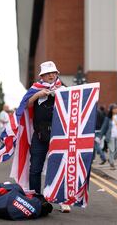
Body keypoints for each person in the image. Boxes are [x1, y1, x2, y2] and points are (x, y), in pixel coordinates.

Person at [26, 61, 72, 213]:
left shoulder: (64, 89)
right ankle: (36, 198)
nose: (52, 75)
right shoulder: (35, 89)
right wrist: (38, 95)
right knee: (35, 169)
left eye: (54, 73)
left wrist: (62, 94)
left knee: (59, 167)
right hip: (39, 135)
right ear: (42, 76)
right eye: (48, 73)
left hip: (59, 136)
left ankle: (61, 200)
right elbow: (25, 105)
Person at [100, 104, 117, 170]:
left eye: (116, 108)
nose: (116, 110)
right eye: (114, 109)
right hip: (110, 136)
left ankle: (111, 159)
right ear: (111, 110)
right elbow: (104, 127)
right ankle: (112, 164)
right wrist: (100, 136)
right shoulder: (107, 118)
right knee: (112, 150)